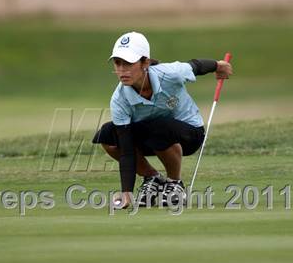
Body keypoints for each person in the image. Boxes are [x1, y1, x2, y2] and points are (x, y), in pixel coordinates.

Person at [92, 31, 232, 209]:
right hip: (153, 138)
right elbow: (126, 149)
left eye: (128, 63)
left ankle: (175, 183)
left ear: (145, 63)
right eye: (118, 63)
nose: (121, 70)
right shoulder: (119, 99)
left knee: (158, 127)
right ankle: (153, 178)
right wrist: (126, 192)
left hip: (190, 134)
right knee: (107, 134)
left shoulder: (170, 73)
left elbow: (195, 66)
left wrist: (219, 66)